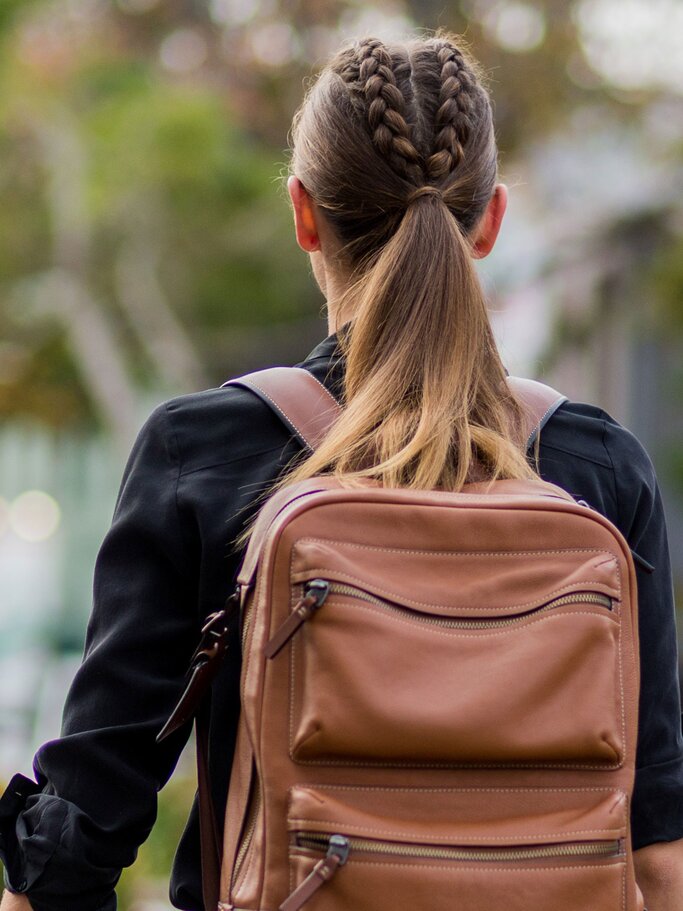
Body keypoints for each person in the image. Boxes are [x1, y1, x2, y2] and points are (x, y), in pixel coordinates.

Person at [1, 30, 683, 911]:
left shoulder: (205, 453)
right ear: (492, 221)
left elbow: (82, 834)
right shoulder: (598, 469)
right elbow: (657, 844)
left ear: (303, 214)